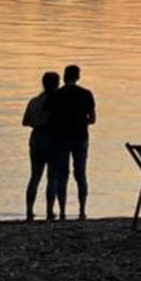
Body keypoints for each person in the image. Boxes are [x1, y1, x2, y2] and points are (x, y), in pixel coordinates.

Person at [46, 63, 97, 221]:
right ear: (78, 77)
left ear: (64, 76)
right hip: (81, 137)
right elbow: (93, 119)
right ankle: (82, 210)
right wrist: (82, 121)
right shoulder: (86, 94)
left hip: (60, 138)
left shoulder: (56, 95)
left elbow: (48, 117)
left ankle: (62, 211)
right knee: (80, 174)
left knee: (63, 175)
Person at [21, 70, 61, 221]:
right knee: (52, 177)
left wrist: (36, 122)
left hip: (36, 138)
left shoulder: (34, 101)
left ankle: (29, 210)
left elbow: (25, 121)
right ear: (57, 84)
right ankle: (49, 210)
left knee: (35, 176)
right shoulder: (57, 102)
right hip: (52, 138)